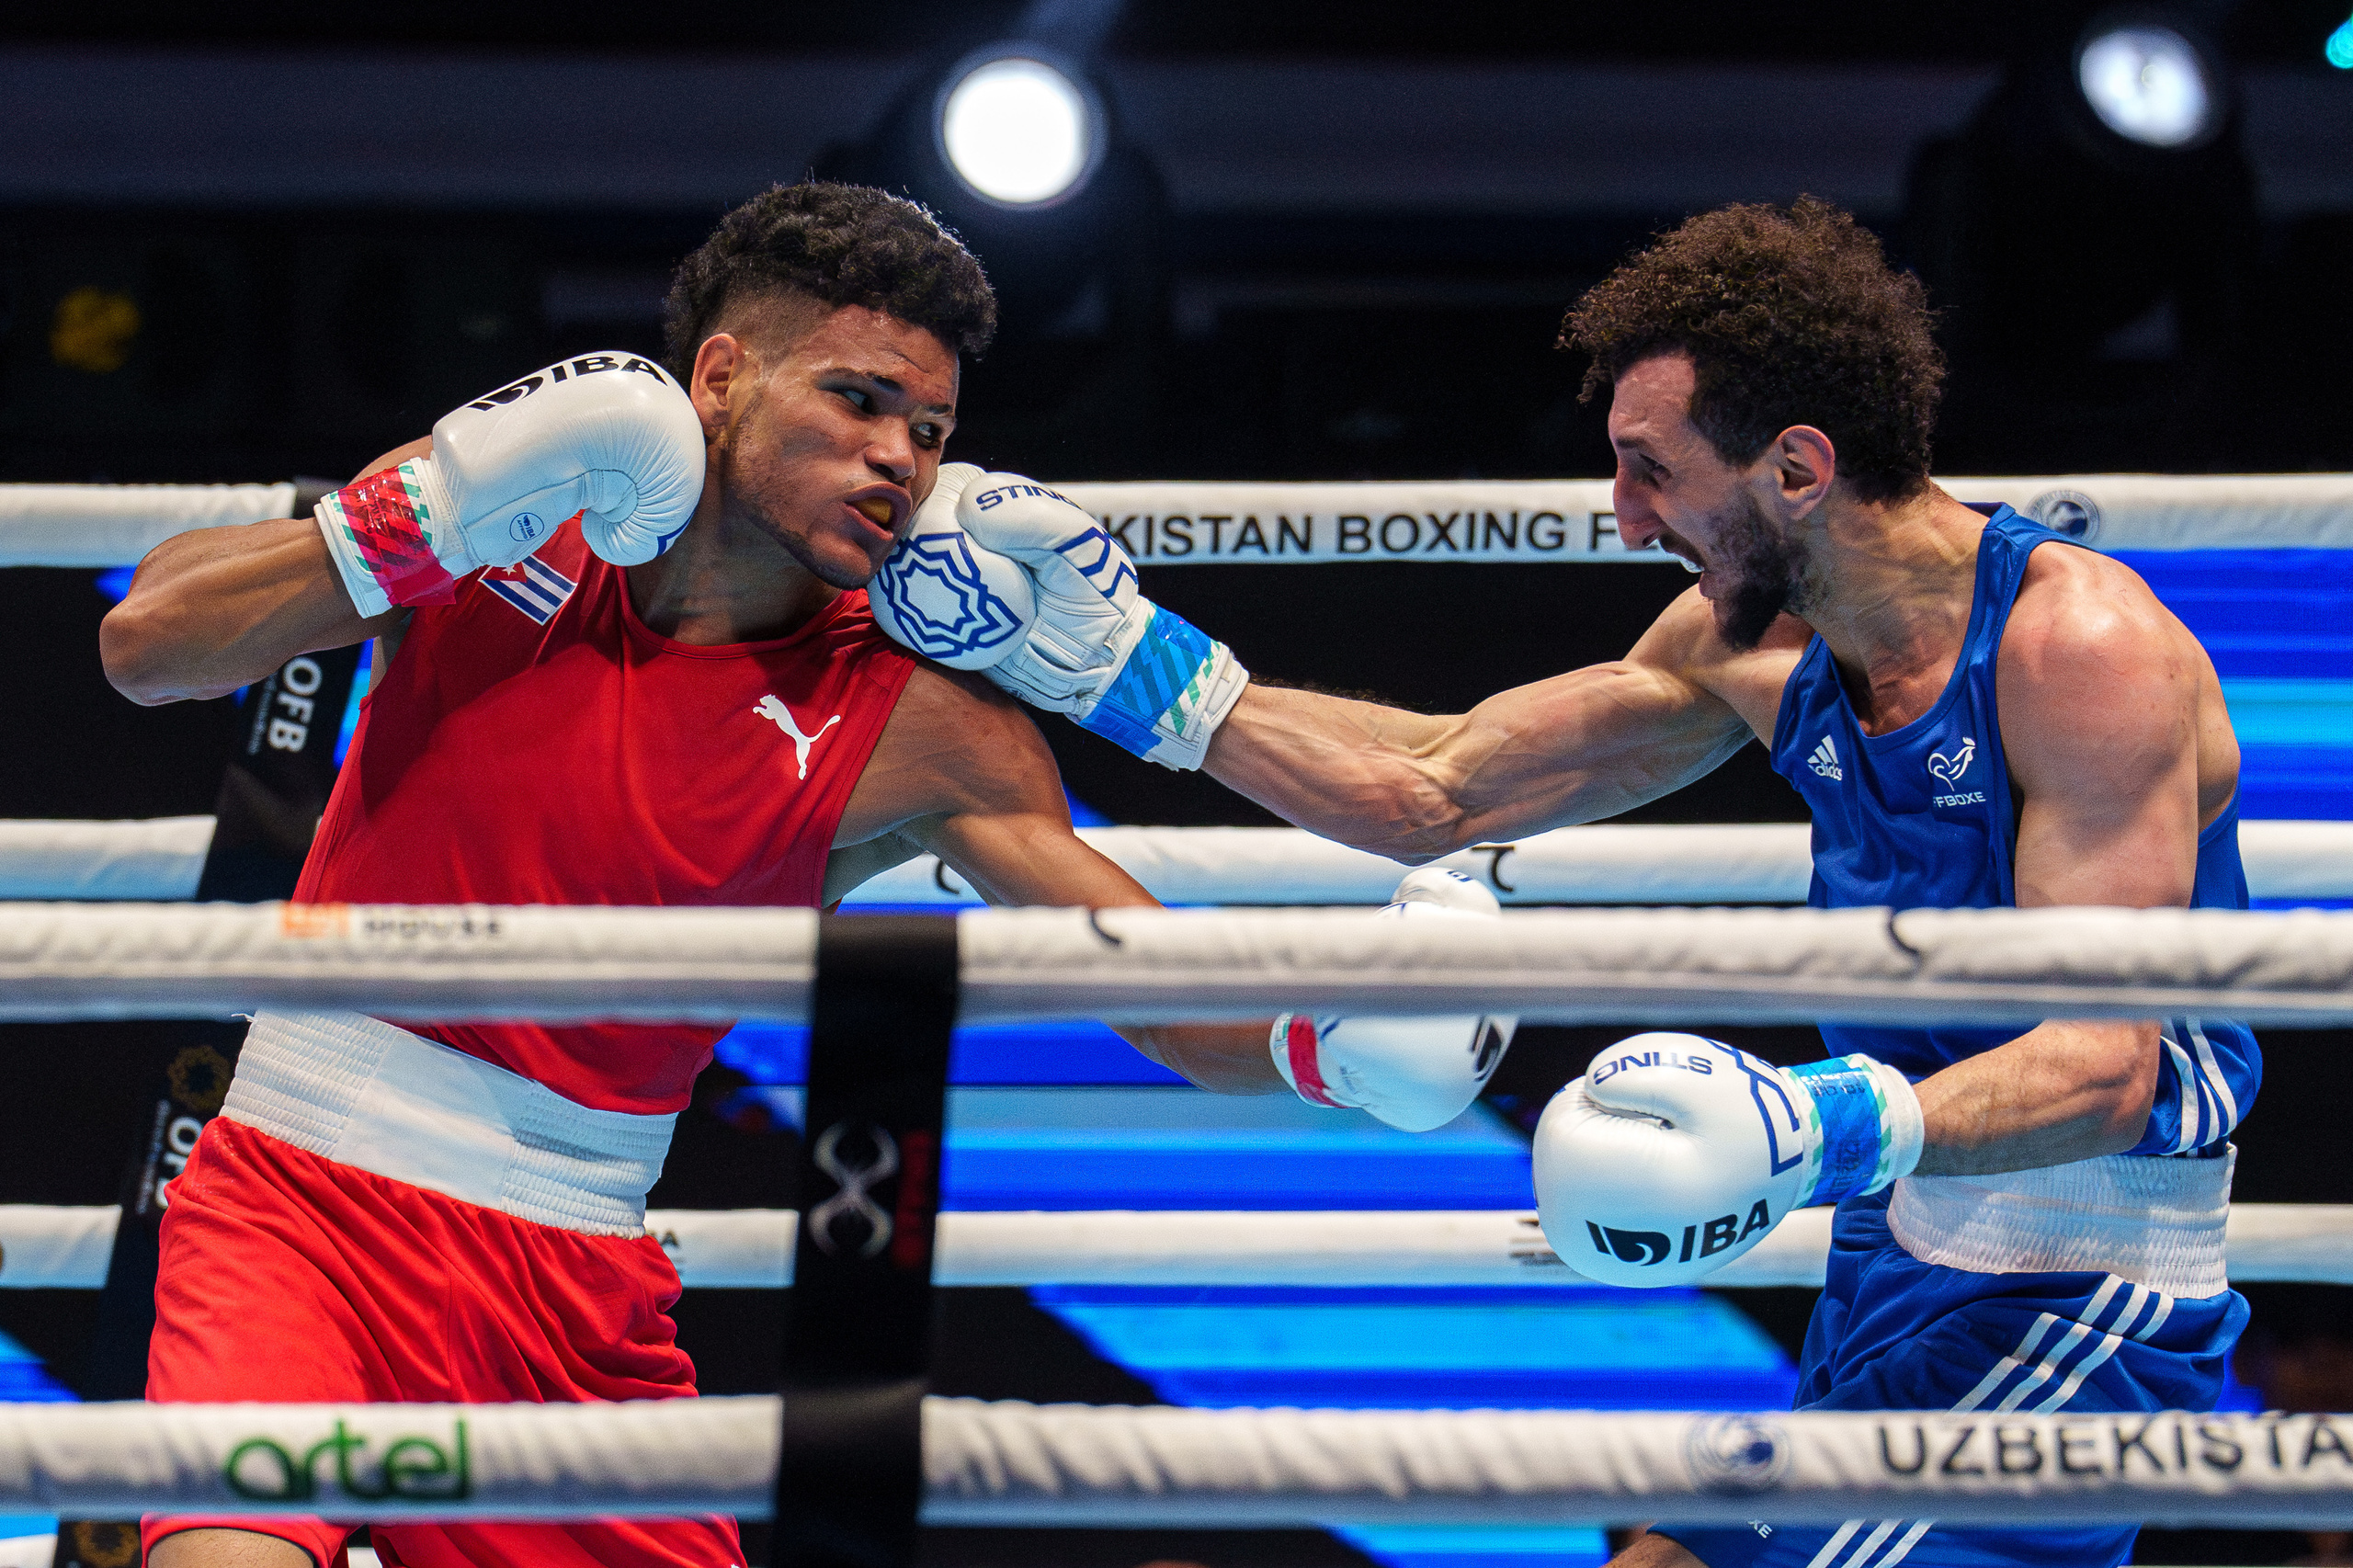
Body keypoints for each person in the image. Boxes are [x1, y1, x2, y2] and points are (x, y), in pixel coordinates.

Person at [99, 181, 1509, 1568]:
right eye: (858, 399)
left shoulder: (920, 723)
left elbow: (1154, 991)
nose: (901, 456)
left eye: (931, 429)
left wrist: (1334, 1042)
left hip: (573, 1287)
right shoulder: (517, 507)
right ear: (720, 379)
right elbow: (147, 644)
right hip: (295, 1203)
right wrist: (426, 521)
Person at [922, 197, 2260, 1568]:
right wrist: (1112, 663)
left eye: (1652, 472)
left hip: (2078, 1284)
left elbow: (2109, 1068)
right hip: (1895, 1256)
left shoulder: (2076, 652)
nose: (1625, 521)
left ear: (1797, 468)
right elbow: (1438, 787)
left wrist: (1812, 1122)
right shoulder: (1751, 644)